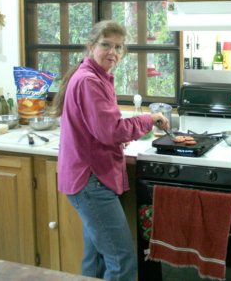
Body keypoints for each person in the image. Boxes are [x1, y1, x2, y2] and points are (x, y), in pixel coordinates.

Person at [53, 20, 170, 281]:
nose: (113, 52)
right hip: (91, 181)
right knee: (121, 260)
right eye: (106, 45)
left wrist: (119, 135)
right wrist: (149, 119)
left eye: (118, 46)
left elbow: (100, 129)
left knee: (96, 259)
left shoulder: (96, 76)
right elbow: (111, 131)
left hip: (86, 178)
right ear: (91, 46)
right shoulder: (88, 81)